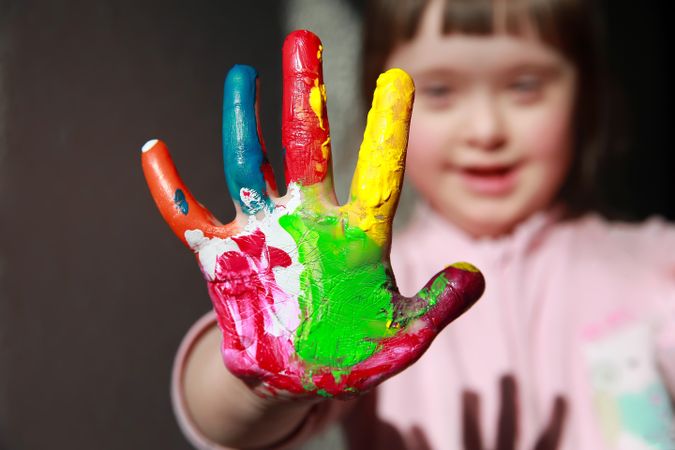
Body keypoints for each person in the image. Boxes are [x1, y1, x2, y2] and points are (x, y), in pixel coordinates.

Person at [145, 0, 675, 448]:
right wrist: (261, 378)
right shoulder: (349, 278)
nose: (485, 129)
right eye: (441, 91)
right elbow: (219, 421)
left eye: (525, 86)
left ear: (585, 93)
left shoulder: (657, 264)